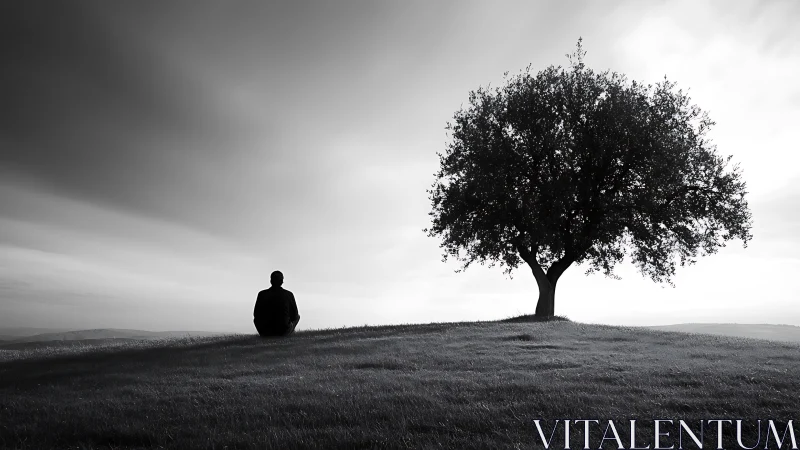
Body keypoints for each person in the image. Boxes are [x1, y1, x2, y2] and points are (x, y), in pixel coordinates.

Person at [253, 271, 300, 337]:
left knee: (256, 319)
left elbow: (256, 314)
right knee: (297, 317)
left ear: (271, 281)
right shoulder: (289, 294)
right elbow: (295, 315)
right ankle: (288, 333)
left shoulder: (262, 294)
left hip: (265, 331)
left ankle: (265, 334)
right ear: (282, 281)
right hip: (283, 331)